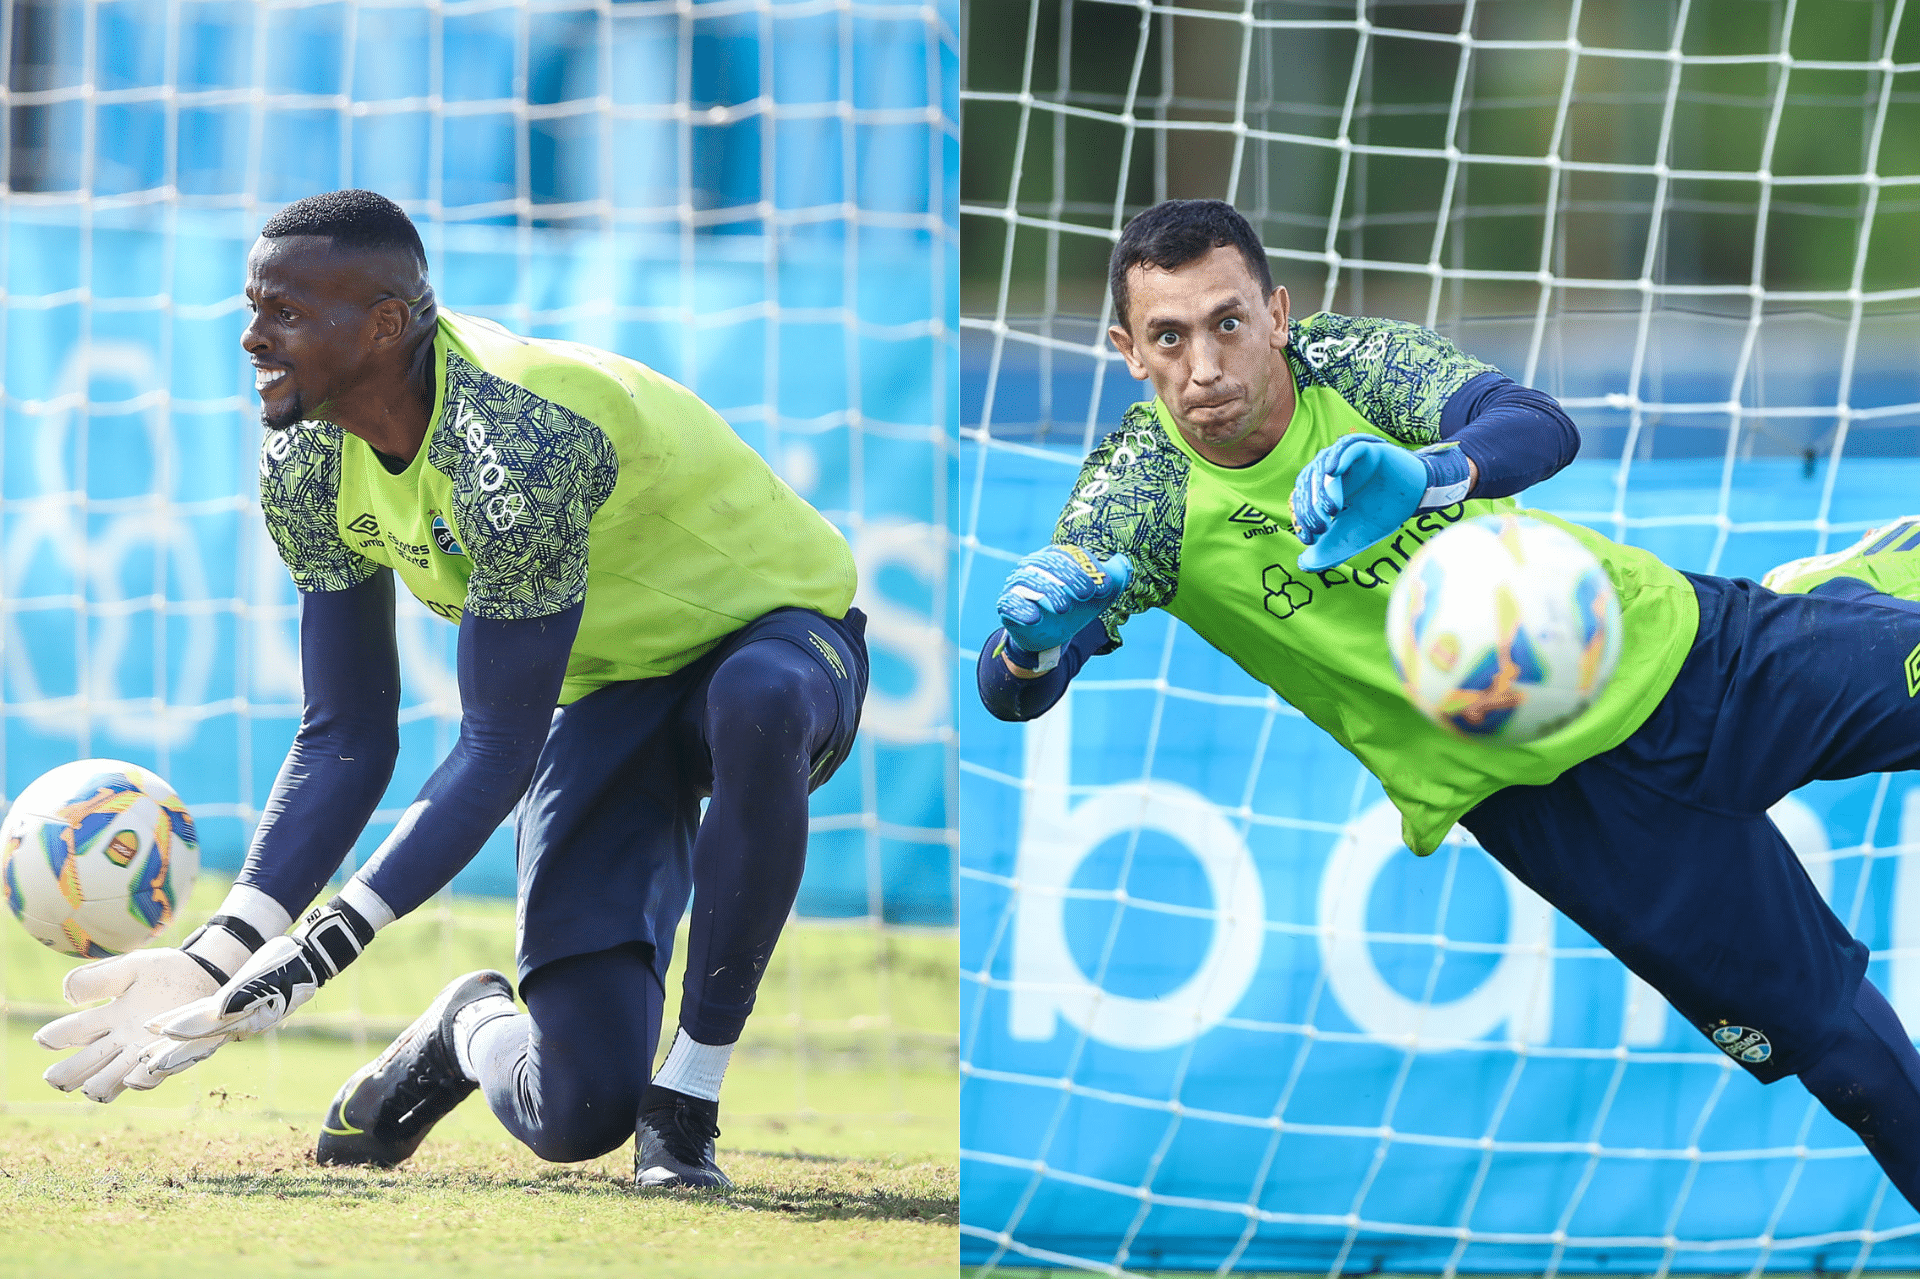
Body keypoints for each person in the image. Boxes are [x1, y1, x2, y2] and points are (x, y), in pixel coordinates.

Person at [977, 197, 1920, 1206]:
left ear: (1278, 314)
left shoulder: (1350, 365)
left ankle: (1830, 604)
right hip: (1562, 814)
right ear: (1128, 350)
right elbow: (1014, 684)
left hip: (1686, 657)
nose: (1205, 366)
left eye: (1228, 323)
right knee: (1849, 1060)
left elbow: (1537, 424)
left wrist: (1427, 473)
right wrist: (1033, 644)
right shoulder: (1140, 492)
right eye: (1170, 337)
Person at [32, 188, 868, 1190]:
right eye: (253, 308)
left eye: (284, 312)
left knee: (758, 698)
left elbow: (496, 747)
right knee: (577, 1112)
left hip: (783, 639)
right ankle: (465, 1025)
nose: (253, 336)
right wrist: (223, 951)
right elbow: (345, 732)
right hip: (617, 700)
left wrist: (313, 957)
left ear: (385, 325)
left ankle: (687, 1102)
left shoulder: (513, 440)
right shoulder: (301, 462)